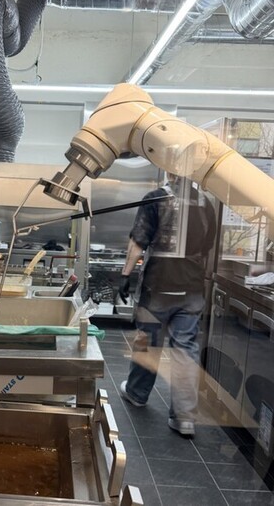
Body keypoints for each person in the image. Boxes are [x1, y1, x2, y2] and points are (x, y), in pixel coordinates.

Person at [118, 174, 216, 437]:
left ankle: (137, 393)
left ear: (170, 172)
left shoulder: (155, 198)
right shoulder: (205, 203)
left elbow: (138, 242)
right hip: (191, 287)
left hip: (158, 285)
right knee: (185, 348)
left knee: (147, 342)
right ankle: (184, 418)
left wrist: (126, 275)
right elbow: (207, 246)